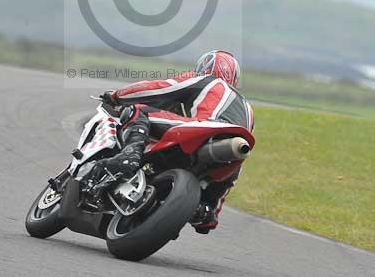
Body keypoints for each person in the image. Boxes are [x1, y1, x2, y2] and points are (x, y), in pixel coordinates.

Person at [87, 50, 255, 234]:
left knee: (137, 111)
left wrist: (117, 96)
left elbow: (160, 87)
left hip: (203, 127)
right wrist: (212, 209)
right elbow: (233, 174)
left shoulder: (206, 80)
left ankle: (129, 156)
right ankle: (205, 210)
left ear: (204, 68)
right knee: (232, 169)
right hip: (233, 152)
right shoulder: (248, 108)